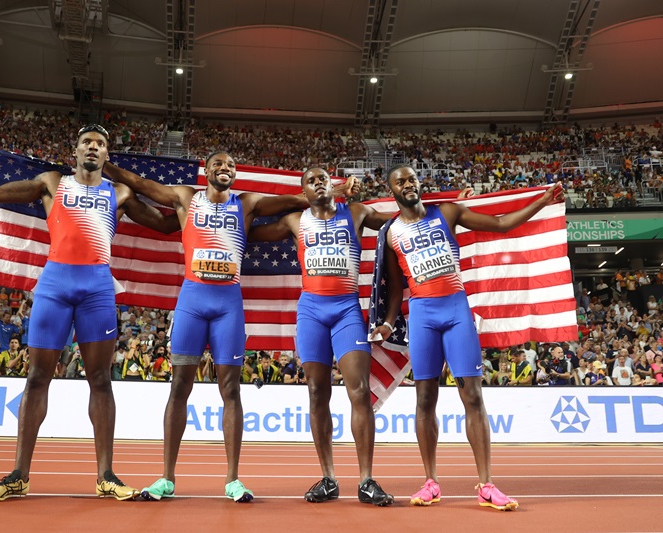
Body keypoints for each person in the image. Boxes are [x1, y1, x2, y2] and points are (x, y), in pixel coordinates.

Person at [0, 125, 179, 502]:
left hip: (97, 289)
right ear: (76, 151)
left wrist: (205, 206)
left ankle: (106, 476)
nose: (93, 148)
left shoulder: (121, 192)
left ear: (106, 154)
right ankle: (19, 474)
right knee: (37, 377)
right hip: (54, 286)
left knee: (101, 379)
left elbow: (166, 225)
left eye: (100, 144)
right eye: (87, 143)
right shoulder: (53, 182)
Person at [103, 151, 342, 502]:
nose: (224, 169)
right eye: (218, 164)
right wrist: (107, 166)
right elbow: (140, 185)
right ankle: (166, 478)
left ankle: (232, 480)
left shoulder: (247, 203)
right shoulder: (186, 197)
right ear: (206, 170)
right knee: (179, 387)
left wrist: (335, 193)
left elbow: (296, 199)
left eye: (230, 166)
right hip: (192, 302)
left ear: (235, 174)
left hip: (228, 304)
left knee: (231, 390)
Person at [370, 164, 564, 511]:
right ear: (392, 191)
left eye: (412, 178)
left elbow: (503, 224)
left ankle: (486, 484)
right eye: (400, 181)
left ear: (419, 183)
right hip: (423, 316)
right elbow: (395, 290)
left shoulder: (447, 211)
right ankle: (431, 481)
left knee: (472, 395)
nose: (408, 184)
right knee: (424, 399)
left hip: (456, 309)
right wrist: (386, 323)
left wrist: (543, 200)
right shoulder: (391, 233)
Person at [248, 167, 393, 505]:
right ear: (303, 191)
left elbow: (399, 220)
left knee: (358, 390)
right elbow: (250, 230)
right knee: (316, 392)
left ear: (333, 185)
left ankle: (367, 480)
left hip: (345, 311)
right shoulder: (294, 221)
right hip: (312, 312)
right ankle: (328, 477)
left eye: (322, 179)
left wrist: (436, 208)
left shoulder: (356, 213)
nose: (317, 183)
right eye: (310, 180)